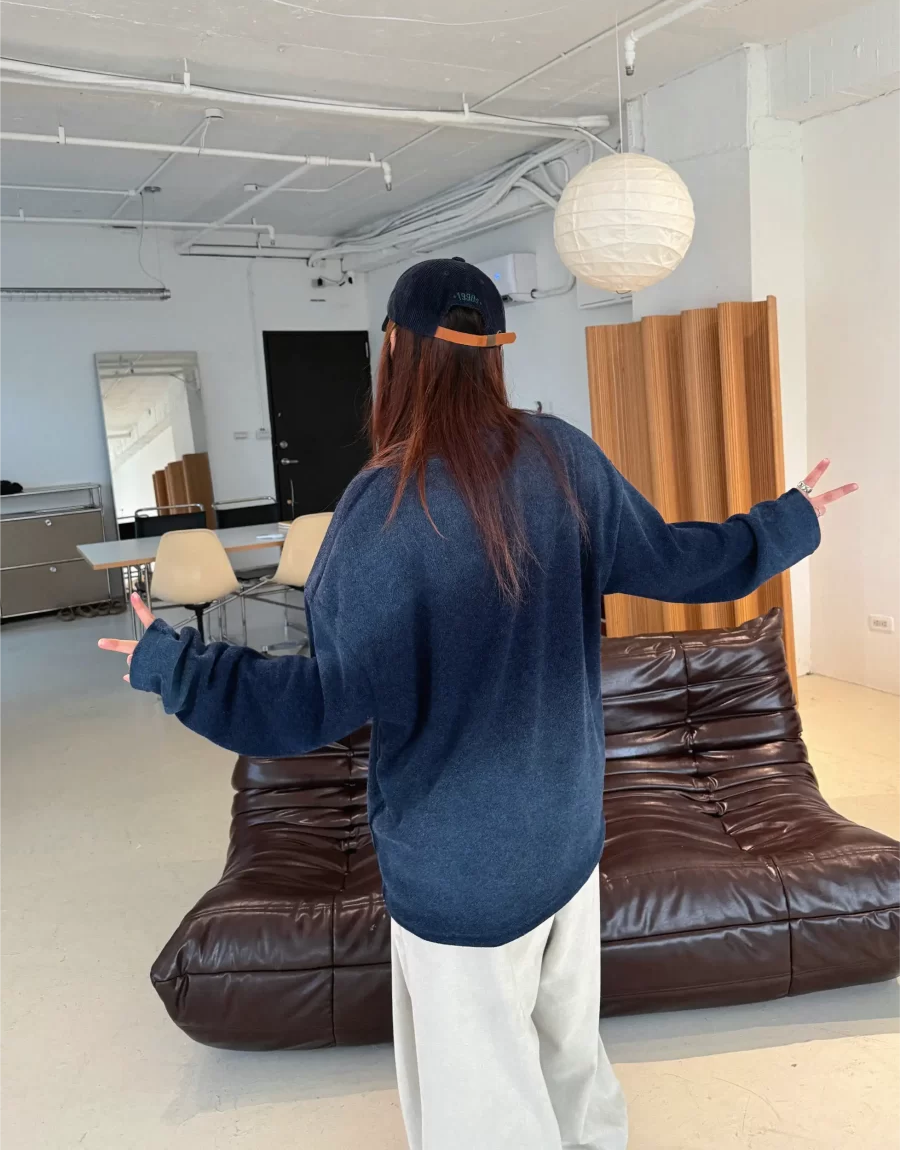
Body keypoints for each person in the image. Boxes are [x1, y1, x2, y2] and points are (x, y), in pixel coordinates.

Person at [100, 258, 857, 1150]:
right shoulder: (564, 458)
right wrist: (787, 521)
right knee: (572, 1064)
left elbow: (310, 707)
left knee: (482, 1114)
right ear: (496, 352)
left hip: (459, 873)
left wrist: (178, 668)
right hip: (568, 838)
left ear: (394, 350)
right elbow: (683, 562)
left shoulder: (380, 511)